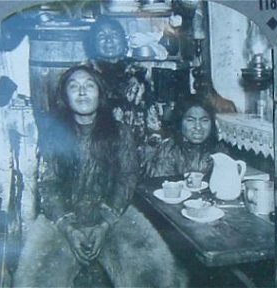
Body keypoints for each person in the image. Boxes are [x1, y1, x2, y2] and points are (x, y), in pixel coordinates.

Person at [14, 65, 187, 287]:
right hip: (61, 217)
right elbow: (48, 184)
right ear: (66, 97)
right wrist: (68, 229)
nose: (82, 92)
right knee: (31, 281)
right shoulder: (54, 135)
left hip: (114, 213)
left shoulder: (120, 132)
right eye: (74, 87)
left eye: (89, 85)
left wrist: (105, 224)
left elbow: (126, 179)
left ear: (100, 93)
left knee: (158, 276)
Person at [84, 16, 158, 146]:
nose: (109, 41)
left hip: (136, 146)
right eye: (101, 37)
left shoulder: (139, 73)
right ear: (92, 44)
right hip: (99, 146)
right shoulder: (85, 76)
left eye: (114, 35)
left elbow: (151, 115)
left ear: (124, 41)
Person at [143, 97, 227, 179]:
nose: (198, 127)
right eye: (190, 120)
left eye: (204, 120)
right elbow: (161, 185)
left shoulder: (219, 151)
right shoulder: (169, 150)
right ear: (180, 123)